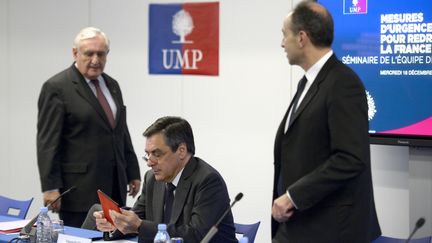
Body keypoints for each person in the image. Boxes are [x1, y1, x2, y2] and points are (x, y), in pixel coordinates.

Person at [271, 1, 381, 242]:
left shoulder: (343, 83)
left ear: (301, 38)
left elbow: (351, 158)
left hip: (331, 229)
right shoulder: (308, 82)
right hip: (300, 224)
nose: (281, 43)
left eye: (284, 35)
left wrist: (293, 196)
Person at [37, 27, 141, 227]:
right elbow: (47, 142)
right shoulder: (57, 87)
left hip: (114, 185)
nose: (95, 59)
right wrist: (50, 187)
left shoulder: (112, 85)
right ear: (75, 53)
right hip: (78, 192)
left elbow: (120, 131)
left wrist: (132, 171)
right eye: (89, 53)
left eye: (101, 54)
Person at [85, 116, 237, 243]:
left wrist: (139, 226)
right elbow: (138, 217)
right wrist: (116, 221)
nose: (150, 162)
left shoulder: (208, 181)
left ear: (181, 151)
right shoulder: (152, 178)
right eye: (148, 154)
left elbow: (197, 235)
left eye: (157, 154)